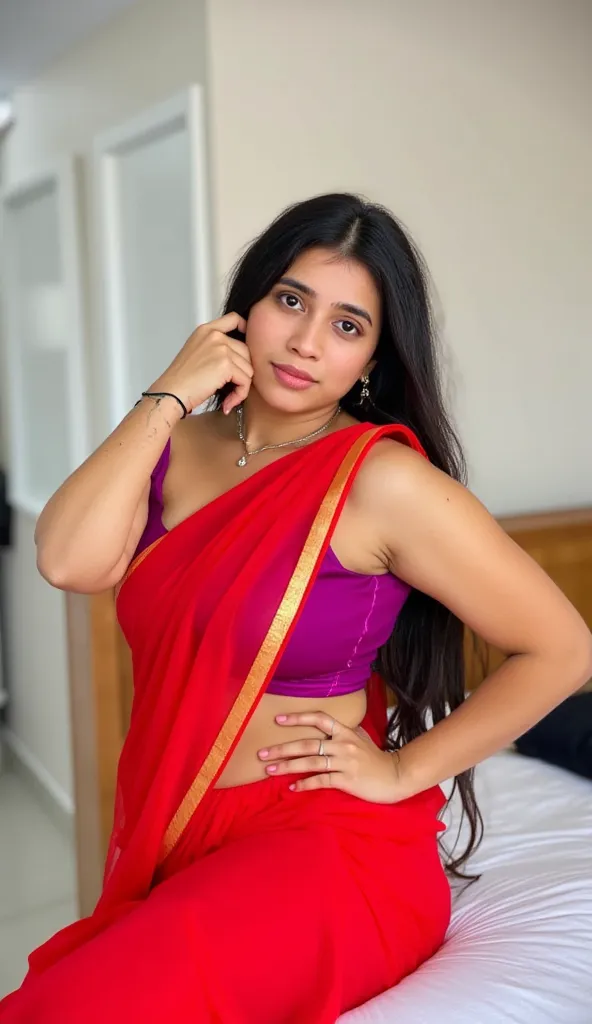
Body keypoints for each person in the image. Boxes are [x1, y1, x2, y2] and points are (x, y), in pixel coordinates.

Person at [2, 193, 590, 1023]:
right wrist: (169, 391)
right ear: (246, 310)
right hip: (188, 829)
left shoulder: (384, 484)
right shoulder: (176, 444)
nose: (308, 343)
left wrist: (399, 771)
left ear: (374, 359)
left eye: (348, 326)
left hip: (324, 850)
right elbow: (68, 558)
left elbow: (564, 649)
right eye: (291, 302)